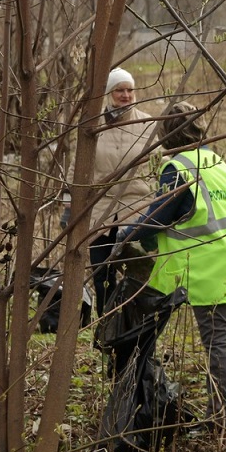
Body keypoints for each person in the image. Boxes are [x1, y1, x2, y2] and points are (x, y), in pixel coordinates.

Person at [116, 102, 226, 432]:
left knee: (217, 341)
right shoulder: (220, 163)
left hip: (209, 266)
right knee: (220, 339)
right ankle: (221, 415)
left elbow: (156, 218)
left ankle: (221, 420)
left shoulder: (178, 168)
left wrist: (122, 235)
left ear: (166, 134)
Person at [62, 68, 157, 313]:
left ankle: (134, 331)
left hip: (137, 212)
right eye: (119, 90)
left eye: (129, 90)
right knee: (102, 277)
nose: (125, 95)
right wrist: (68, 204)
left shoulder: (148, 124)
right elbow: (77, 169)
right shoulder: (92, 127)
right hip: (101, 215)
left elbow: (160, 169)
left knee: (137, 278)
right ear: (108, 93)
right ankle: (106, 327)